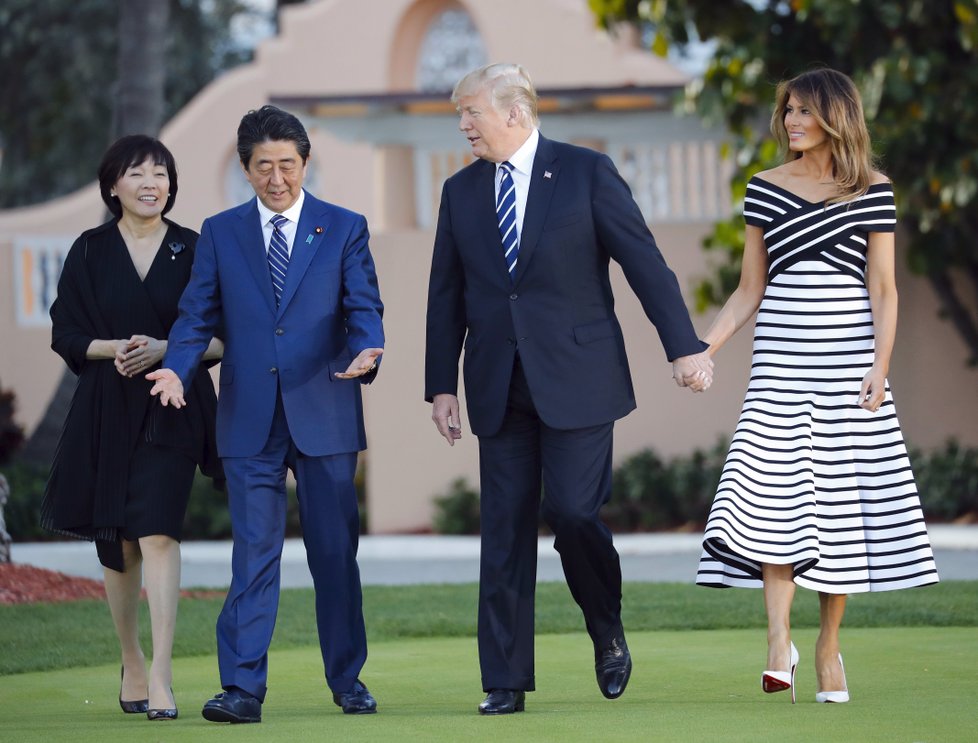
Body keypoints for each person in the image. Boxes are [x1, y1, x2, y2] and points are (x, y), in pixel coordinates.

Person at [425, 63, 713, 715]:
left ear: (514, 113)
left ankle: (605, 626)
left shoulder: (585, 173)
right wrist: (440, 385)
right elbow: (445, 295)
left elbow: (644, 260)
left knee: (577, 514)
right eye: (460, 114)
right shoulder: (461, 192)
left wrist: (684, 345)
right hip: (498, 384)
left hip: (580, 379)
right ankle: (504, 677)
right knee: (502, 529)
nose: (463, 124)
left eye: (471, 112)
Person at [694, 68, 939, 704]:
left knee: (839, 508)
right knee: (771, 495)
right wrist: (704, 349)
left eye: (804, 111)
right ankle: (780, 642)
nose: (791, 122)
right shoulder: (764, 189)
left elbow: (883, 289)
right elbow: (750, 287)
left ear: (836, 116)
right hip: (780, 361)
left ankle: (828, 647)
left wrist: (880, 367)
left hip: (850, 362)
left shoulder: (873, 190)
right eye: (788, 111)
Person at [148, 105, 384, 723]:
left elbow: (363, 304)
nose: (276, 177)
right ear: (246, 169)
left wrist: (369, 347)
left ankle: (348, 680)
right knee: (253, 556)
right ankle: (243, 690)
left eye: (287, 164)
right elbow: (196, 315)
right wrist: (177, 365)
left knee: (335, 554)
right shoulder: (221, 233)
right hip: (249, 418)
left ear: (304, 163)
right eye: (263, 167)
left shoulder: (343, 226)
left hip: (327, 408)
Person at [41, 135, 224, 721]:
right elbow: (63, 332)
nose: (152, 183)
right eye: (138, 173)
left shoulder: (197, 249)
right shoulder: (90, 250)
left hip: (174, 406)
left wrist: (170, 349)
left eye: (162, 173)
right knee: (118, 544)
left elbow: (224, 339)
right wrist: (112, 347)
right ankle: (133, 660)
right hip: (104, 409)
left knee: (159, 533)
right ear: (113, 184)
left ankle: (165, 676)